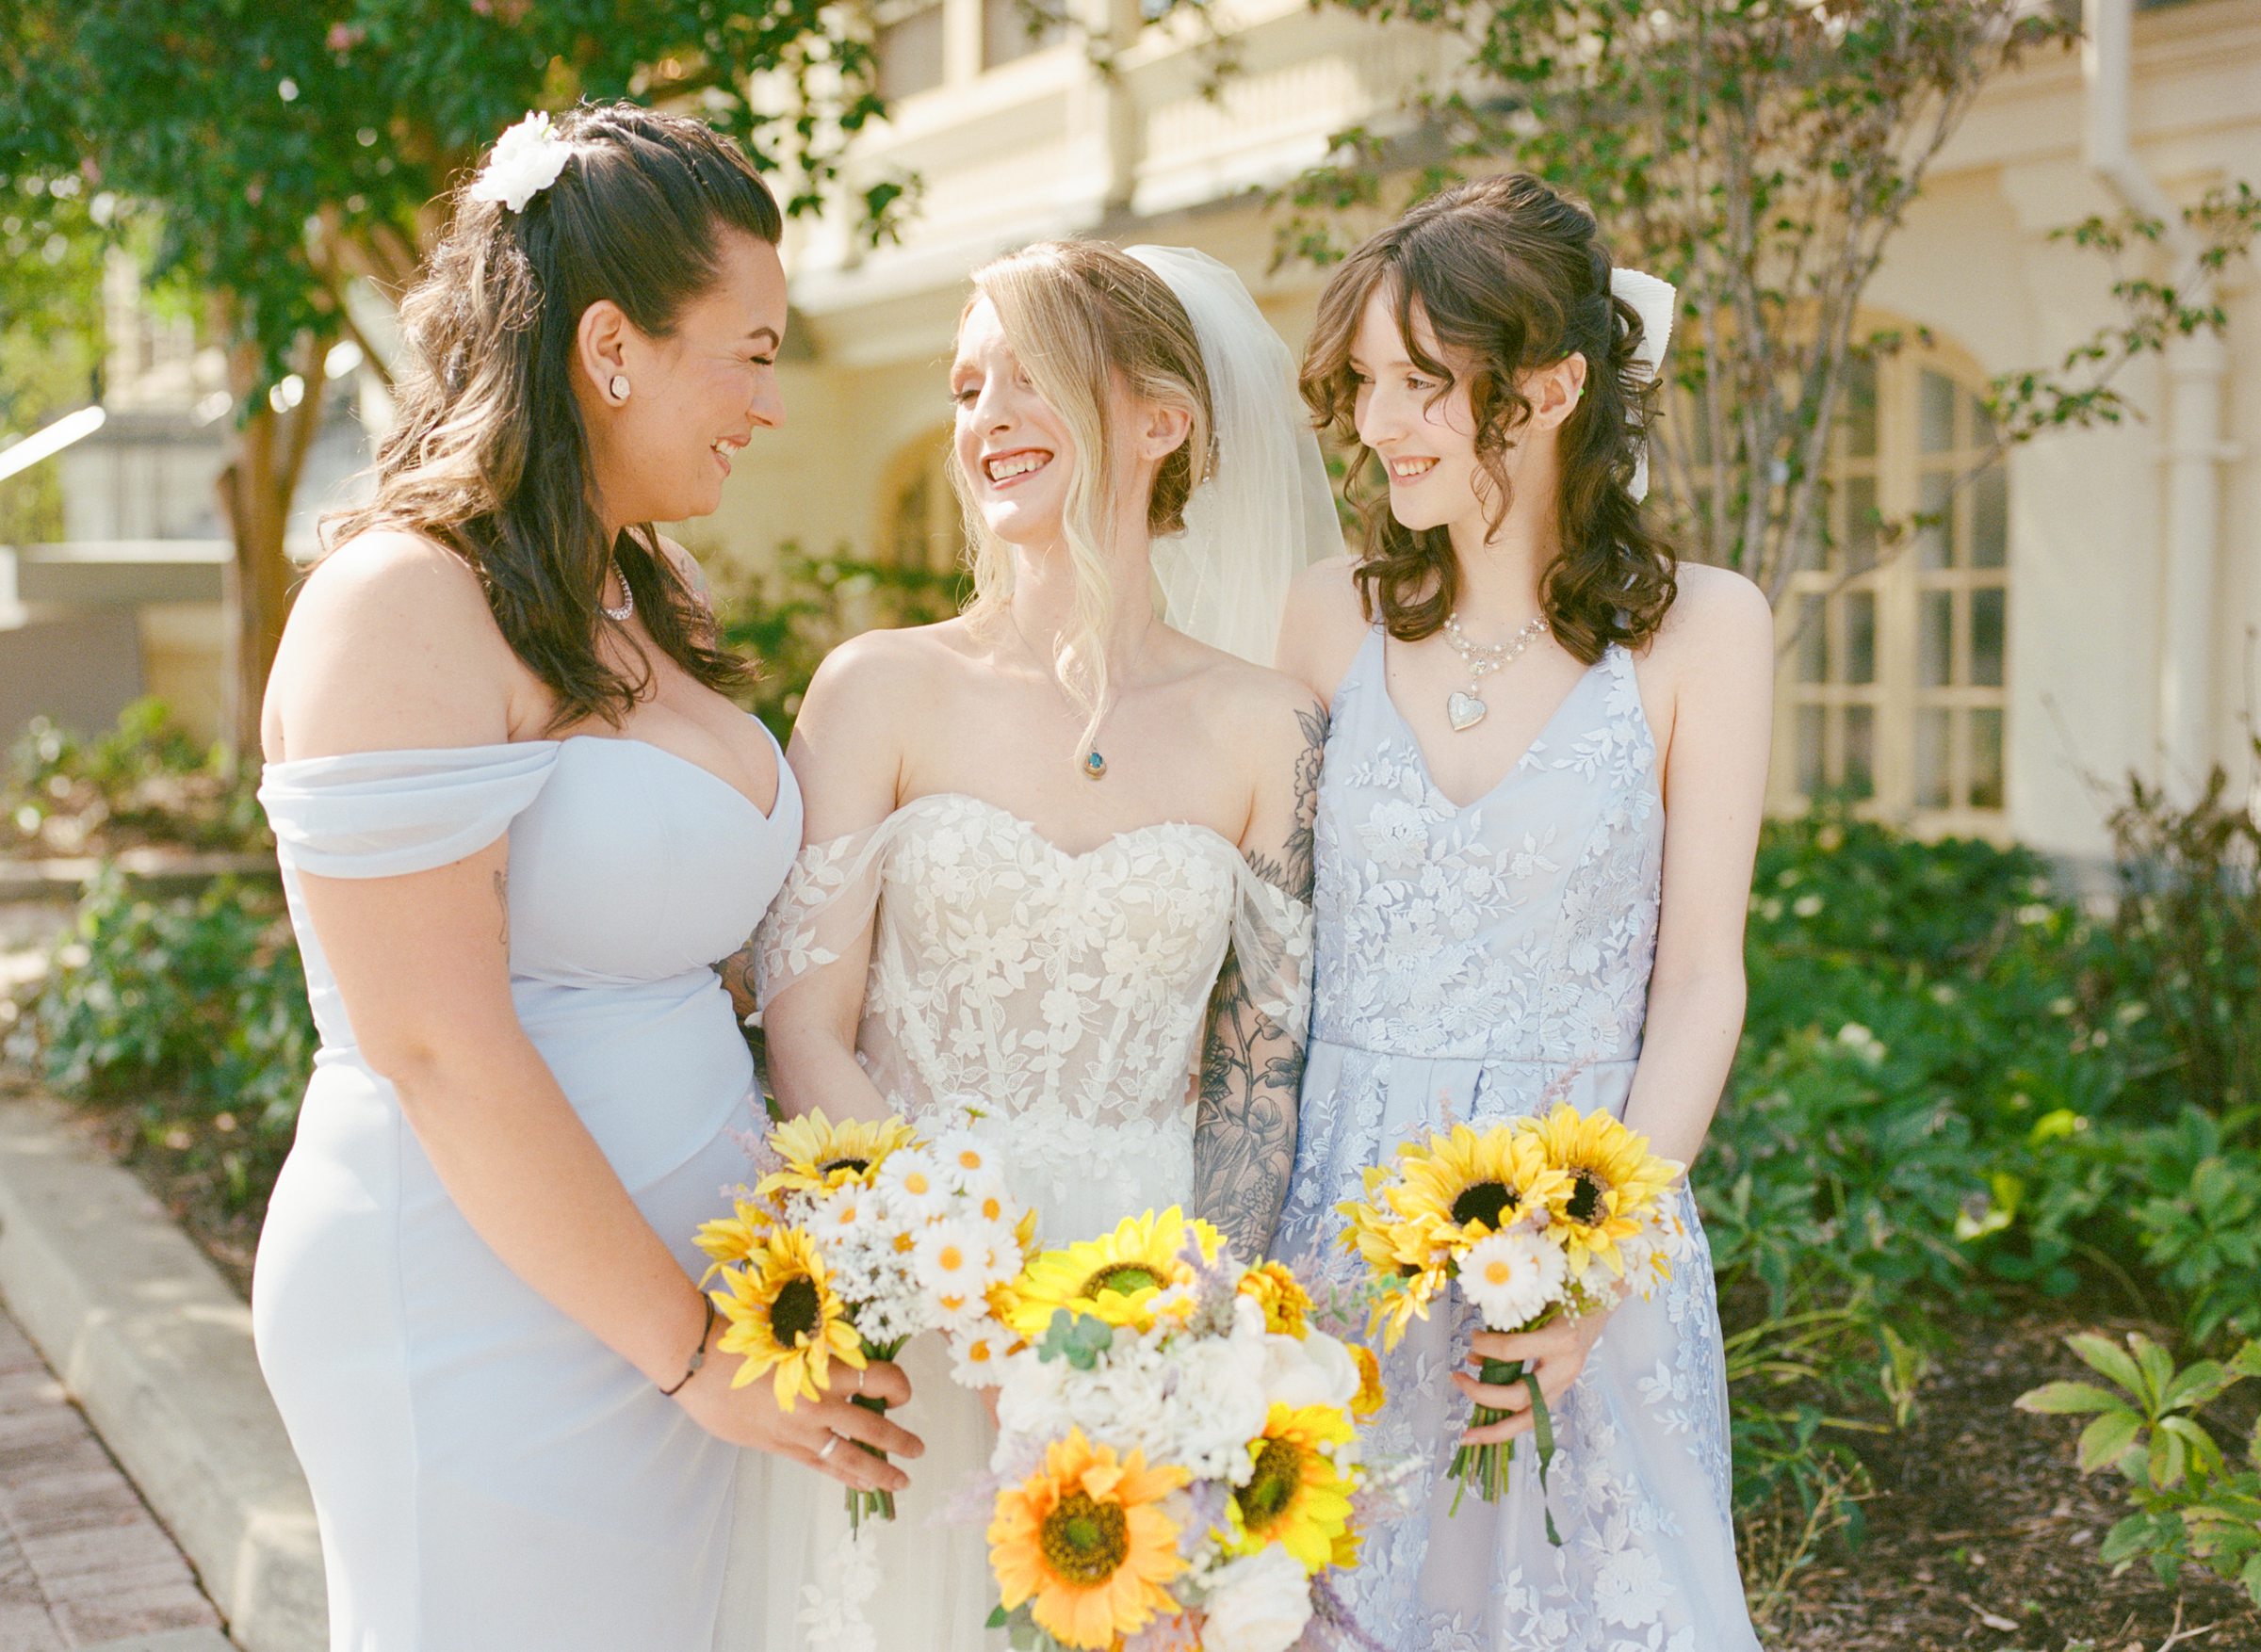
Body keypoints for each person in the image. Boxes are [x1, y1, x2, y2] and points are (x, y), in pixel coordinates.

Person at [251, 102, 919, 1651]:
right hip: (484, 1309)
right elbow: (436, 1044)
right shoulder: (399, 604)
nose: (768, 394)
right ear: (611, 344)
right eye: (747, 351)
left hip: (688, 1321)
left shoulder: (643, 584)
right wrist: (694, 1353)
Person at [716, 238, 1339, 1649]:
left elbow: (1256, 1079)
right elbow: (806, 1026)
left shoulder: (1272, 727)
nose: (983, 416)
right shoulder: (880, 687)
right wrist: (975, 1307)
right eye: (963, 383)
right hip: (911, 1300)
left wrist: (1191, 1345)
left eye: (1026, 375)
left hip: (1142, 1310)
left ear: (1161, 417)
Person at [1272, 173, 1770, 1649]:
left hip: (1581, 1219)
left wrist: (1598, 1263)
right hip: (1341, 1229)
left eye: (1425, 384)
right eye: (1365, 383)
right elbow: (1264, 951)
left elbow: (1699, 983)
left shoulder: (1704, 632)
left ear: (1553, 388)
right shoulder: (1324, 615)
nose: (1379, 425)